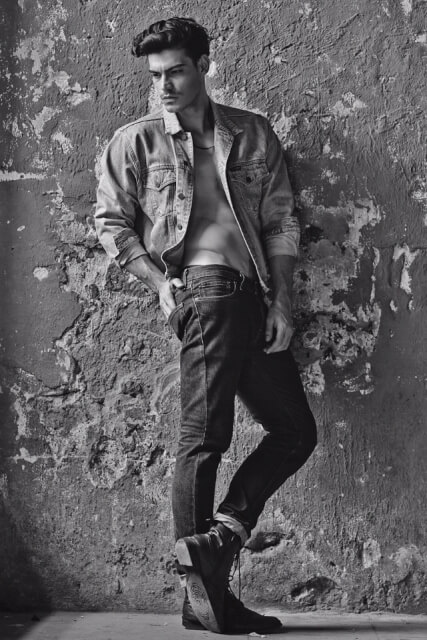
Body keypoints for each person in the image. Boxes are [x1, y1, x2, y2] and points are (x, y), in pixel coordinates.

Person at [95, 16, 317, 634]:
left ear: (204, 65)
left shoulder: (252, 133)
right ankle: (204, 601)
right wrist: (157, 282)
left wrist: (281, 303)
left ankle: (218, 542)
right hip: (204, 293)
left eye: (176, 72)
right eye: (155, 75)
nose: (164, 86)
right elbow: (111, 223)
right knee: (205, 438)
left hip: (250, 297)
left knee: (295, 431)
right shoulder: (135, 143)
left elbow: (279, 220)